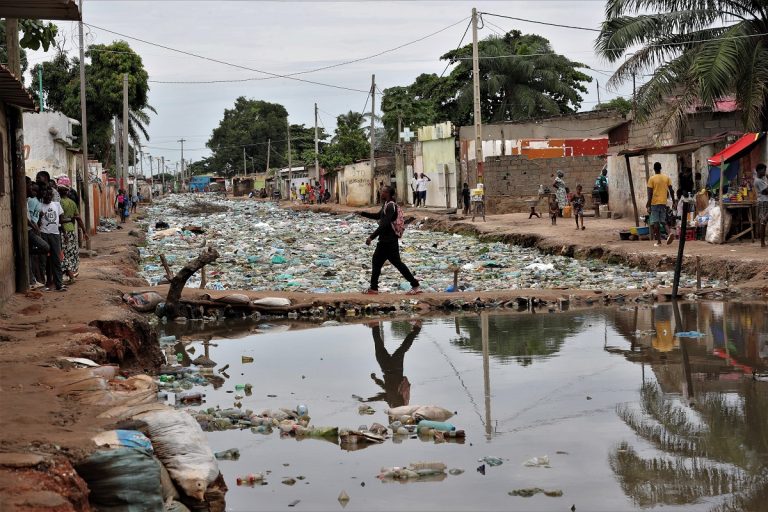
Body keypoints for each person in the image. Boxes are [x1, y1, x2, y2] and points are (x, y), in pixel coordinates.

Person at [359, 185, 421, 295]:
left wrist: (371, 237)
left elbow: (384, 224)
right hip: (386, 241)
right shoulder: (386, 205)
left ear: (387, 193)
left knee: (388, 263)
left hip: (388, 241)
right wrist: (362, 213)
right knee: (382, 262)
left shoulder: (391, 206)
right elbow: (378, 216)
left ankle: (414, 285)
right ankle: (374, 288)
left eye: (382, 191)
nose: (380, 193)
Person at [362, 321, 421, 408]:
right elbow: (387, 394)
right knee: (403, 348)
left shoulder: (390, 402)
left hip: (386, 368)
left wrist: (369, 398)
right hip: (396, 368)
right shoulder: (400, 403)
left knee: (379, 350)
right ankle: (417, 328)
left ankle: (375, 326)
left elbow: (384, 390)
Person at [38, 187, 66, 291]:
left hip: (55, 234)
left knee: (56, 260)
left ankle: (59, 284)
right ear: (43, 195)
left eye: (50, 195)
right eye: (46, 195)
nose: (48, 197)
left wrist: (63, 231)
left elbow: (61, 218)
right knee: (43, 260)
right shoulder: (39, 206)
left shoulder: (56, 205)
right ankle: (43, 284)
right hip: (43, 233)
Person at [59, 185, 88, 281]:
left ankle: (69, 274)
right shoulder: (72, 203)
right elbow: (78, 218)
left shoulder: (59, 203)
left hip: (63, 231)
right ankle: (73, 272)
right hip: (71, 230)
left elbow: (60, 219)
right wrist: (84, 231)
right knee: (72, 252)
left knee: (63, 252)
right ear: (67, 193)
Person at [646, 161, 676, 247]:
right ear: (660, 168)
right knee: (663, 220)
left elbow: (650, 193)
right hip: (663, 202)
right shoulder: (666, 178)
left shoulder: (651, 179)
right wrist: (674, 201)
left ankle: (659, 242)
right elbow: (671, 190)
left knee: (656, 222)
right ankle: (669, 233)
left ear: (654, 169)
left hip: (654, 203)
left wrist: (648, 204)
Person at [26, 181, 49, 288]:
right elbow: (29, 218)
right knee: (45, 247)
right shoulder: (31, 201)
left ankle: (34, 280)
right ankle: (33, 280)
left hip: (33, 228)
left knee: (33, 258)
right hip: (30, 229)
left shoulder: (38, 201)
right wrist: (36, 229)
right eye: (33, 190)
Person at [754, 163, 768, 248]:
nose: (765, 172)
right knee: (763, 222)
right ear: (759, 171)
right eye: (763, 170)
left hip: (766, 201)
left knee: (765, 221)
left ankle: (763, 242)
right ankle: (762, 242)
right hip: (763, 202)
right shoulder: (758, 181)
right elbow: (766, 192)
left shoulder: (762, 178)